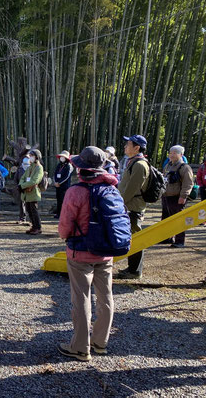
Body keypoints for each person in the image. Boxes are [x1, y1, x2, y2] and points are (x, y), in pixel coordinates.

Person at [57, 146, 118, 362]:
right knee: (106, 297)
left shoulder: (75, 191)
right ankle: (100, 343)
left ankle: (81, 347)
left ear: (80, 167)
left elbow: (65, 226)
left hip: (80, 252)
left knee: (82, 298)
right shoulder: (112, 189)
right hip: (106, 253)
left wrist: (64, 237)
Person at [117, 135, 150, 279]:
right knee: (132, 236)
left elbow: (132, 188)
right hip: (129, 206)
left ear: (136, 148)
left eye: (128, 144)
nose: (125, 146)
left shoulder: (139, 165)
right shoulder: (133, 162)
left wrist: (119, 203)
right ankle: (132, 268)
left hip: (133, 207)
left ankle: (135, 270)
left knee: (136, 237)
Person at [160, 145, 194, 248]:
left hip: (177, 197)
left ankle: (179, 241)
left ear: (181, 155)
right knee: (165, 219)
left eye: (175, 153)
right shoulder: (168, 165)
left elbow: (188, 183)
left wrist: (183, 196)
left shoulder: (185, 167)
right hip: (166, 196)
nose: (172, 155)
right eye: (171, 153)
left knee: (179, 220)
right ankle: (167, 237)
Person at [19, 149, 44, 235]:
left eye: (32, 156)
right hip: (27, 192)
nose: (30, 157)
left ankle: (38, 227)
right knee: (29, 210)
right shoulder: (30, 167)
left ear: (37, 157)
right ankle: (33, 226)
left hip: (33, 191)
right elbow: (23, 177)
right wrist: (21, 184)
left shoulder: (39, 167)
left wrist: (22, 186)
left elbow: (35, 181)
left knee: (34, 210)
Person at [53, 150, 73, 219]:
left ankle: (64, 214)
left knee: (63, 200)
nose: (62, 158)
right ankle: (58, 213)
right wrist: (55, 182)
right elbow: (55, 174)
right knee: (58, 200)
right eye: (61, 156)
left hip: (64, 186)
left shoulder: (69, 166)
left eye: (63, 157)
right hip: (57, 186)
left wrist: (59, 183)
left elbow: (67, 176)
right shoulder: (59, 165)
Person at [14, 155, 30, 224]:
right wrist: (18, 186)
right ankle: (22, 218)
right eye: (25, 158)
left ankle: (31, 218)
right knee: (21, 203)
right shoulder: (20, 168)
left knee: (29, 204)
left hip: (30, 188)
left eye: (27, 158)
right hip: (21, 188)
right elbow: (15, 178)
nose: (26, 159)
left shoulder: (32, 168)